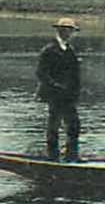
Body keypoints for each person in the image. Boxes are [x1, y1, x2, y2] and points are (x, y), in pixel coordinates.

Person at [35, 17, 83, 161]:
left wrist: (76, 91)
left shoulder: (70, 50)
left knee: (74, 125)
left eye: (71, 30)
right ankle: (53, 156)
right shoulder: (49, 50)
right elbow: (41, 73)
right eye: (67, 30)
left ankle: (71, 155)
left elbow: (75, 74)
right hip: (54, 95)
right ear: (60, 31)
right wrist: (56, 86)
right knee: (54, 125)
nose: (69, 33)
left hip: (68, 95)